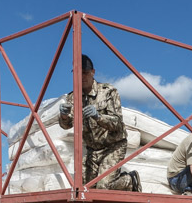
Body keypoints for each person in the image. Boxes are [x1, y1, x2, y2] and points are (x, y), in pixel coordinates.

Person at [58, 54, 140, 192]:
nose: (82, 77)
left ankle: (130, 180)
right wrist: (64, 116)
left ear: (93, 72)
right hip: (93, 150)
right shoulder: (73, 97)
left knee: (104, 186)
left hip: (113, 146)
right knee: (84, 188)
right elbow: (68, 125)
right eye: (77, 73)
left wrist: (98, 117)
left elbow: (117, 123)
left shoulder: (108, 92)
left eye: (85, 73)